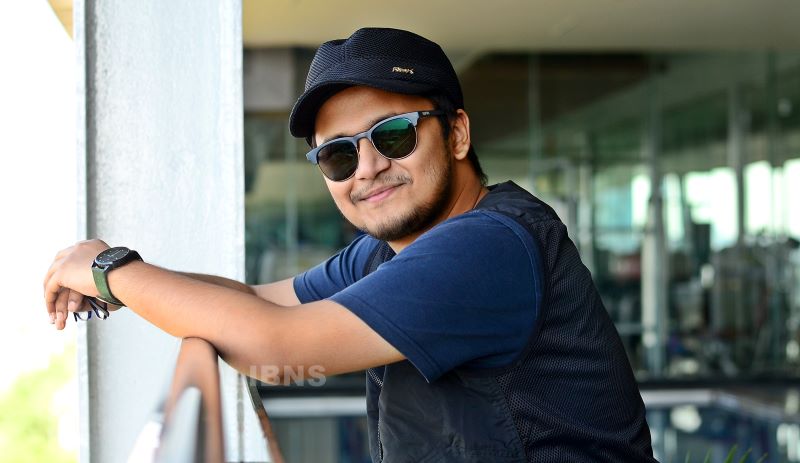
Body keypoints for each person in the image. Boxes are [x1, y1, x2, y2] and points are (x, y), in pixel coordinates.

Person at [44, 27, 656, 462]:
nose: (366, 169)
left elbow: (275, 348)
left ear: (457, 134)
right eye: (338, 155)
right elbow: (260, 301)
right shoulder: (394, 249)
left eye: (393, 136)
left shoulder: (488, 247)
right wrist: (120, 276)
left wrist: (107, 270)